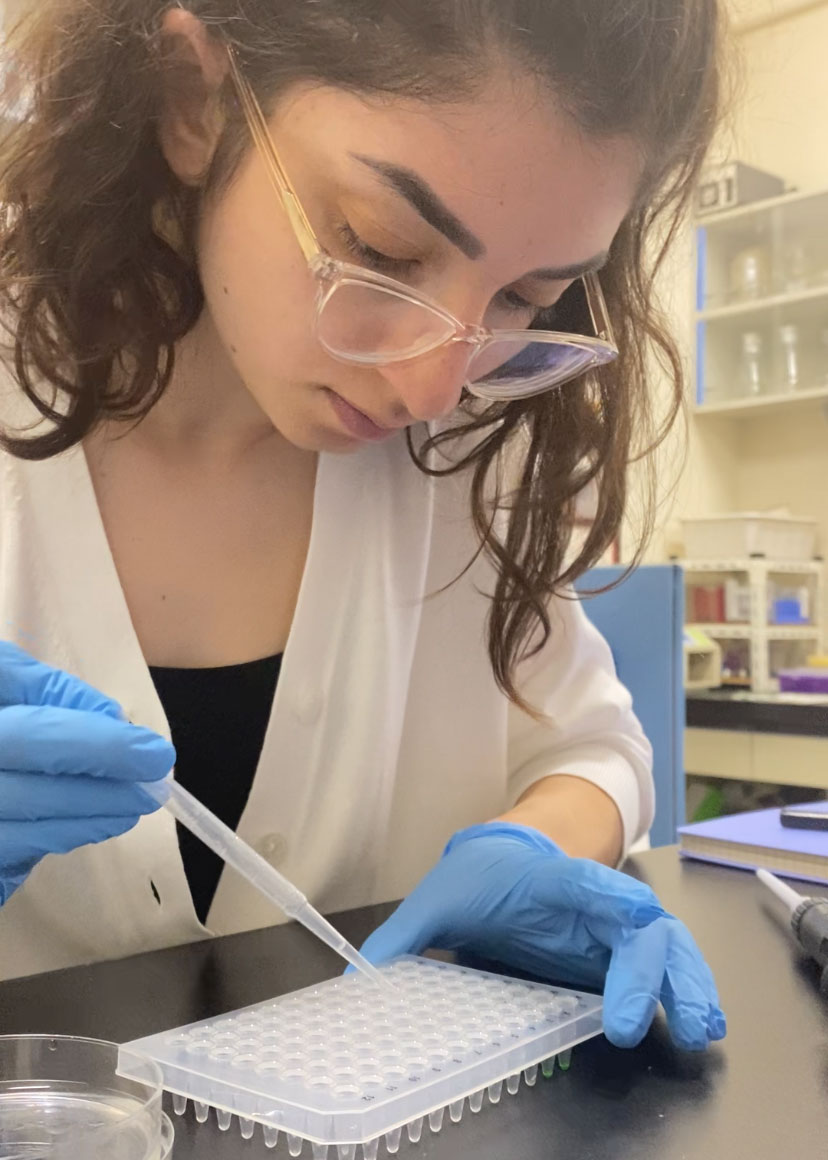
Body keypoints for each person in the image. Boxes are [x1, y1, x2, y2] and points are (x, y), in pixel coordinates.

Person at [0, 0, 726, 1051]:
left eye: (526, 296)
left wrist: (540, 842)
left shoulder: (472, 446)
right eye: (382, 248)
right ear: (192, 100)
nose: (436, 384)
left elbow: (592, 743)